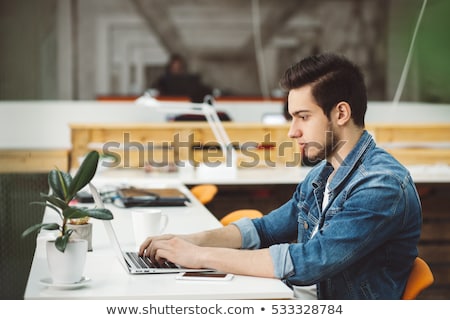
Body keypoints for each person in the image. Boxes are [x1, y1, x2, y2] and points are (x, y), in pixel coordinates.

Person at [139, 53, 422, 299]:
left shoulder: (381, 185)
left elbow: (310, 261)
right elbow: (265, 230)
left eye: (303, 116)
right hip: (291, 297)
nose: (292, 131)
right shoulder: (321, 176)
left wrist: (199, 257)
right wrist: (189, 241)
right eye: (292, 118)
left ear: (341, 113)